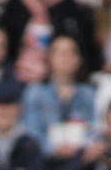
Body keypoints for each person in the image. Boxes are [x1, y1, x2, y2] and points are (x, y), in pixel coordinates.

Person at [25, 30, 97, 158]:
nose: (65, 57)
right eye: (60, 52)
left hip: (82, 160)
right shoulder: (35, 92)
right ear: (49, 57)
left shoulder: (89, 93)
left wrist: (81, 150)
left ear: (79, 59)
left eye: (71, 52)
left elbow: (96, 127)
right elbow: (32, 130)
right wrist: (53, 149)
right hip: (44, 160)